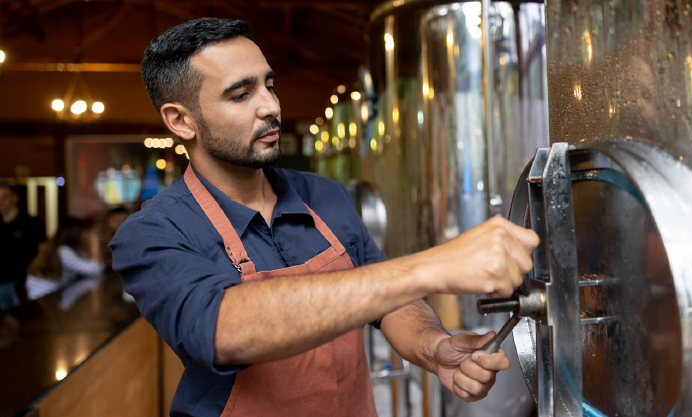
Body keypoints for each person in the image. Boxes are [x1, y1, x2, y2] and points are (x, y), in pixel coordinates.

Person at [111, 18, 538, 417]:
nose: (271, 106)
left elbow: (388, 299)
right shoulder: (152, 234)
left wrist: (433, 346)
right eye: (241, 94)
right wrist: (433, 266)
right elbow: (226, 328)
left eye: (269, 85)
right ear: (181, 121)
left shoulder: (322, 195)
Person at [27, 218, 105, 309]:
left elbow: (98, 269)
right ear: (76, 233)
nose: (89, 235)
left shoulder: (75, 250)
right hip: (44, 298)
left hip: (55, 296)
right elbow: (96, 270)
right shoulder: (63, 251)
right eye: (86, 232)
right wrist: (95, 244)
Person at [0, 184, 46, 310]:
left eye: (4, 198)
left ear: (15, 198)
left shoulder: (31, 223)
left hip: (25, 283)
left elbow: (43, 251)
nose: (1, 202)